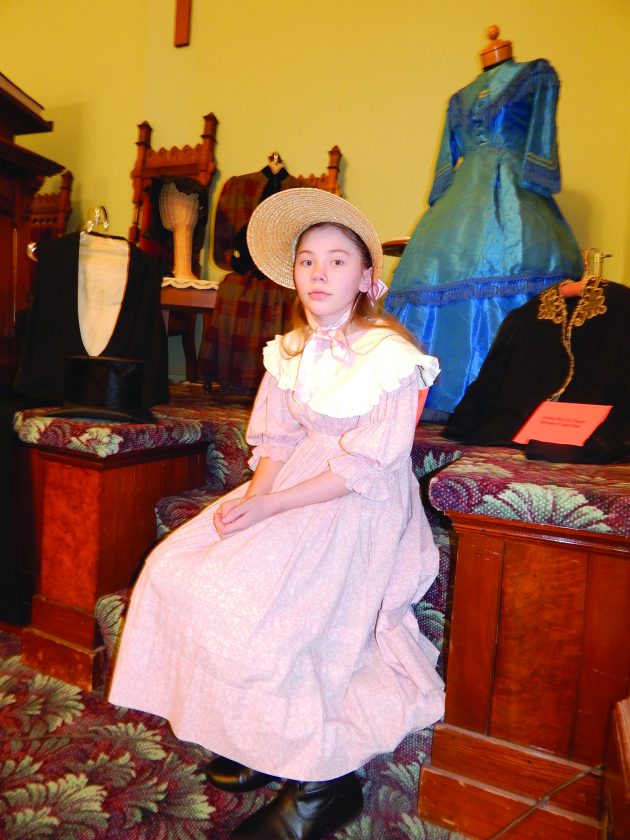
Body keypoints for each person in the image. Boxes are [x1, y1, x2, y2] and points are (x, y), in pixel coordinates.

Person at [108, 188, 446, 839]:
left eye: (337, 261)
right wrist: (253, 501)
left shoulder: (392, 358)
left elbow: (366, 468)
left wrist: (275, 505)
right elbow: (277, 442)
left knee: (275, 610)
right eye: (307, 261)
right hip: (292, 485)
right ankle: (256, 736)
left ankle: (324, 786)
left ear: (366, 278)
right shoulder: (290, 349)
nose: (319, 273)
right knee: (179, 567)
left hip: (359, 502)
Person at [385, 31, 582, 420]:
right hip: (462, 200)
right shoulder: (458, 99)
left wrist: (537, 181)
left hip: (515, 196)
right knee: (440, 275)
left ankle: (513, 398)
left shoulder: (535, 75)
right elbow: (447, 161)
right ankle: (440, 397)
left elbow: (540, 144)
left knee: (514, 273)